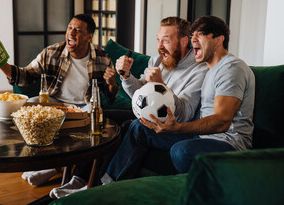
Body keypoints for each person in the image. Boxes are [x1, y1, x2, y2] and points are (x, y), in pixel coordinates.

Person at [49, 17, 208, 198]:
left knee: (131, 127)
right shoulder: (159, 60)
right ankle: (78, 178)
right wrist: (126, 76)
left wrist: (161, 87)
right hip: (147, 116)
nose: (160, 45)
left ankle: (102, 187)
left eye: (166, 40)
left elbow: (185, 114)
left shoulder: (199, 71)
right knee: (101, 116)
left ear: (184, 41)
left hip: (175, 128)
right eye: (158, 39)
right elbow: (139, 96)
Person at [100, 15, 255, 184]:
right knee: (138, 127)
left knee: (181, 151)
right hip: (200, 136)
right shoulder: (211, 69)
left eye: (200, 35)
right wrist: (126, 76)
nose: (193, 40)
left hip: (228, 142)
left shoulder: (231, 68)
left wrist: (177, 128)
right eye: (192, 35)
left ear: (219, 40)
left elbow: (222, 122)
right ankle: (106, 185)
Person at [0, 14, 119, 186]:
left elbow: (110, 99)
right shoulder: (51, 53)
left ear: (89, 37)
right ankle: (43, 162)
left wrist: (111, 84)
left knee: (92, 114)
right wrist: (1, 65)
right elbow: (25, 76)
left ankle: (53, 167)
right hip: (54, 103)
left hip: (84, 107)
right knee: (31, 104)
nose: (71, 33)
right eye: (70, 27)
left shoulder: (103, 59)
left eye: (78, 30)